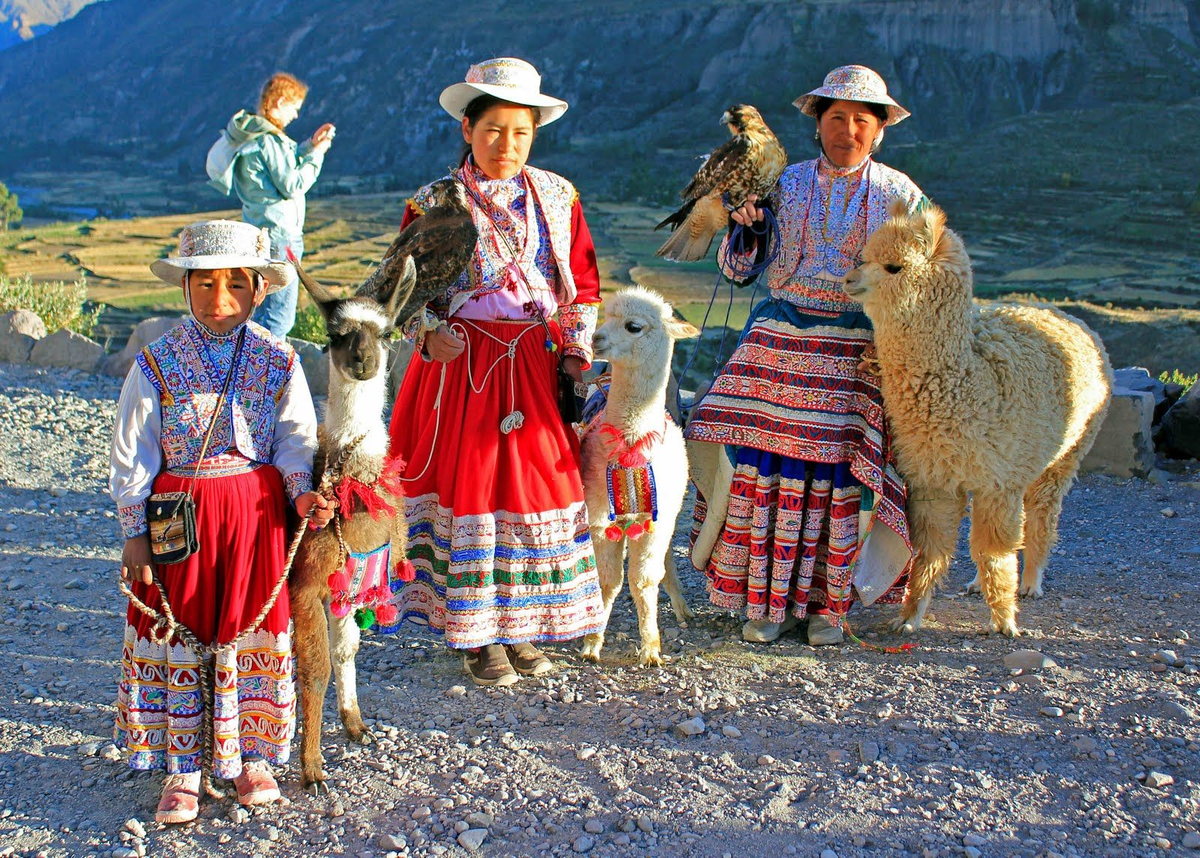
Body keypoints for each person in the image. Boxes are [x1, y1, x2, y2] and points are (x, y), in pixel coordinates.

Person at [685, 65, 927, 646]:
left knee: (841, 477)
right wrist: (747, 230)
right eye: (836, 118)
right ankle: (766, 603)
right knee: (760, 466)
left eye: (861, 121)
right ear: (818, 125)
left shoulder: (903, 197)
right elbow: (737, 271)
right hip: (781, 342)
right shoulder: (783, 185)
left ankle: (826, 607)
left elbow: (920, 284)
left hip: (853, 351)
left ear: (880, 130)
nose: (849, 130)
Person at [388, 57, 604, 686]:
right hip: (463, 363)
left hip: (532, 362)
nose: (505, 145)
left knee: (535, 486)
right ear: (466, 130)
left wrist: (573, 349)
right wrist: (429, 335)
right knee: (472, 487)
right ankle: (476, 634)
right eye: (492, 131)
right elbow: (401, 290)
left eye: (519, 132)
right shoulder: (433, 202)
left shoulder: (558, 196)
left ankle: (521, 622)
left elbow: (581, 281)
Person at [109, 220, 334, 823]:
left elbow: (294, 440)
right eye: (205, 283)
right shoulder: (156, 364)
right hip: (177, 518)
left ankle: (252, 755)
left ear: (261, 289)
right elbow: (134, 451)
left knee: (248, 621)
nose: (221, 298)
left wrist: (302, 494)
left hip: (257, 517)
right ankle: (182, 765)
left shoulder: (277, 358)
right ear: (185, 286)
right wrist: (134, 532)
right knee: (181, 624)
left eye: (237, 283)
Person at [207, 71, 335, 339]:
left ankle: (249, 369)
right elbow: (292, 184)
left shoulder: (255, 137)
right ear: (278, 102)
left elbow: (282, 167)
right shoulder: (268, 140)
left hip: (262, 231)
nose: (296, 115)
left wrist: (310, 146)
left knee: (262, 310)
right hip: (280, 234)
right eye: (294, 107)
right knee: (279, 316)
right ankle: (264, 374)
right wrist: (317, 156)